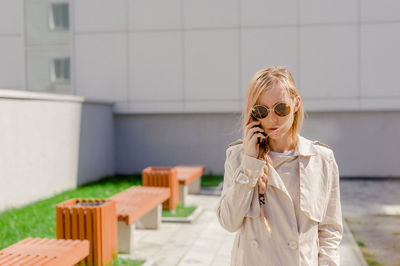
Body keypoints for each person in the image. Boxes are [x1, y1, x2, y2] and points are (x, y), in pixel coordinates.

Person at [217, 66, 343, 266]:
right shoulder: (237, 157)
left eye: (280, 108)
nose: (271, 119)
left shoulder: (321, 159)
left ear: (296, 104)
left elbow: (329, 230)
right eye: (261, 110)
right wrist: (250, 162)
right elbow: (228, 222)